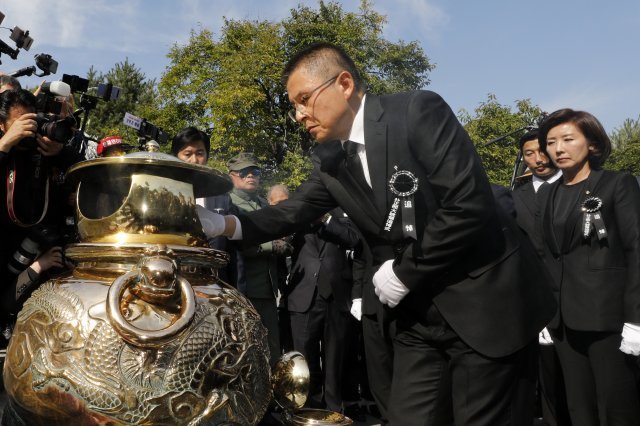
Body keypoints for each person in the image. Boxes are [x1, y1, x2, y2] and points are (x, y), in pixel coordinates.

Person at [198, 42, 556, 424]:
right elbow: (292, 211)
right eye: (294, 105)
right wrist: (223, 224)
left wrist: (404, 272)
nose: (300, 114)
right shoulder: (334, 164)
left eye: (304, 99)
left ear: (345, 84)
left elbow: (467, 205)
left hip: (484, 303)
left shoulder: (417, 112)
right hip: (418, 318)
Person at [537, 108, 640, 426]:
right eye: (551, 141)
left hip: (608, 320)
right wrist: (542, 312)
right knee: (579, 408)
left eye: (568, 139)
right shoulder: (548, 194)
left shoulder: (616, 185)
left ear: (592, 143)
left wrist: (636, 320)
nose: (558, 148)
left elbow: (636, 249)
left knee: (617, 407)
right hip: (563, 323)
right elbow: (546, 256)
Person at [285, 207, 359, 412]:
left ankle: (334, 407)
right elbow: (284, 240)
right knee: (303, 356)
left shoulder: (341, 214)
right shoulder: (297, 214)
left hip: (336, 296)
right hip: (303, 295)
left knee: (335, 356)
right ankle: (306, 405)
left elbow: (353, 239)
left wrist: (325, 218)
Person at [226, 152, 285, 367]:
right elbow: (236, 242)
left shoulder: (263, 204)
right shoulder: (227, 203)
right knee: (244, 349)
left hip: (268, 289)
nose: (250, 175)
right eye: (244, 172)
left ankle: (271, 397)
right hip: (242, 289)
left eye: (255, 172)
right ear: (232, 175)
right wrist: (272, 245)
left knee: (270, 347)